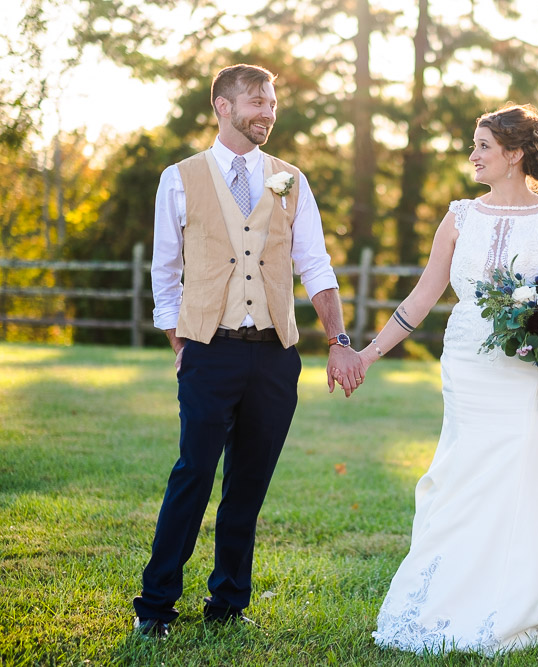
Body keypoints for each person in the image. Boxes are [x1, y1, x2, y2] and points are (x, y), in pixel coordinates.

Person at [364, 103, 538, 654]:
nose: (472, 156)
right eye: (473, 146)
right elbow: (424, 296)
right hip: (467, 363)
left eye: (483, 147)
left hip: (526, 372)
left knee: (525, 473)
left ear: (514, 155)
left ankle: (521, 602)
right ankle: (446, 595)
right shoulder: (458, 217)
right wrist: (369, 353)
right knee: (463, 472)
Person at [132, 63, 365, 638]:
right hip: (209, 352)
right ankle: (156, 606)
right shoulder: (179, 177)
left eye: (272, 103)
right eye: (258, 102)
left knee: (249, 485)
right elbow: (166, 272)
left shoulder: (289, 180)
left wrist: (338, 340)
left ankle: (229, 603)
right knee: (193, 475)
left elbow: (315, 264)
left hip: (275, 356)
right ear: (224, 106)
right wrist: (179, 342)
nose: (269, 112)